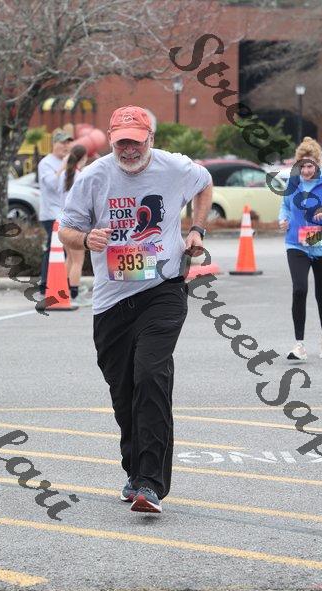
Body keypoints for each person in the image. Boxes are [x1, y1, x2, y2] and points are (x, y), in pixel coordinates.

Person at [59, 105, 212, 514]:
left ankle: (150, 483)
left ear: (150, 140)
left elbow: (205, 183)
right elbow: (65, 230)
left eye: (136, 143)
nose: (129, 150)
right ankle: (135, 472)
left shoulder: (174, 167)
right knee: (124, 392)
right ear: (111, 141)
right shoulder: (94, 177)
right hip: (112, 301)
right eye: (121, 143)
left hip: (163, 289)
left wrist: (196, 230)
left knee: (151, 375)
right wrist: (85, 239)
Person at [279, 136, 322, 361]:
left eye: (309, 166)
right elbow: (285, 207)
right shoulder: (293, 183)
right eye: (302, 166)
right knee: (299, 289)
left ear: (317, 164)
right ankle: (299, 345)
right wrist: (283, 219)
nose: (305, 171)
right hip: (296, 243)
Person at [38, 129, 73, 295]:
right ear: (54, 144)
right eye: (62, 143)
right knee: (54, 249)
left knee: (65, 250)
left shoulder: (69, 161)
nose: (66, 146)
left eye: (68, 143)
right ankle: (46, 284)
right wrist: (63, 167)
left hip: (65, 213)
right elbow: (52, 184)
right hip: (51, 213)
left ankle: (61, 283)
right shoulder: (46, 163)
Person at [58, 144, 91, 306]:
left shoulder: (63, 174)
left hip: (63, 220)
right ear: (83, 158)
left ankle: (65, 291)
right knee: (78, 261)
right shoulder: (80, 176)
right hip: (76, 222)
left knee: (70, 259)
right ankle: (74, 295)